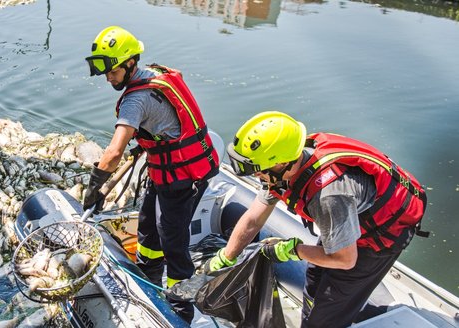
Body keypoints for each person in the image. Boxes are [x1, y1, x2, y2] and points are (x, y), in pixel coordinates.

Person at [207, 111, 427, 327]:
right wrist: (226, 257)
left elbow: (344, 260)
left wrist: (292, 250)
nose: (256, 176)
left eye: (258, 171)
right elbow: (254, 218)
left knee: (326, 314)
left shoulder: (329, 196)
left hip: (375, 239)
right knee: (314, 277)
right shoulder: (283, 165)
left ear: (282, 163)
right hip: (347, 219)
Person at [83, 26, 220, 323]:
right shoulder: (156, 74)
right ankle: (147, 277)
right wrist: (149, 140)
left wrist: (95, 188)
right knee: (147, 226)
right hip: (166, 170)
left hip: (182, 176)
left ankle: (181, 307)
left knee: (173, 239)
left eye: (112, 71)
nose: (108, 77)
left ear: (130, 63)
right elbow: (163, 121)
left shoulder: (136, 100)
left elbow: (113, 153)